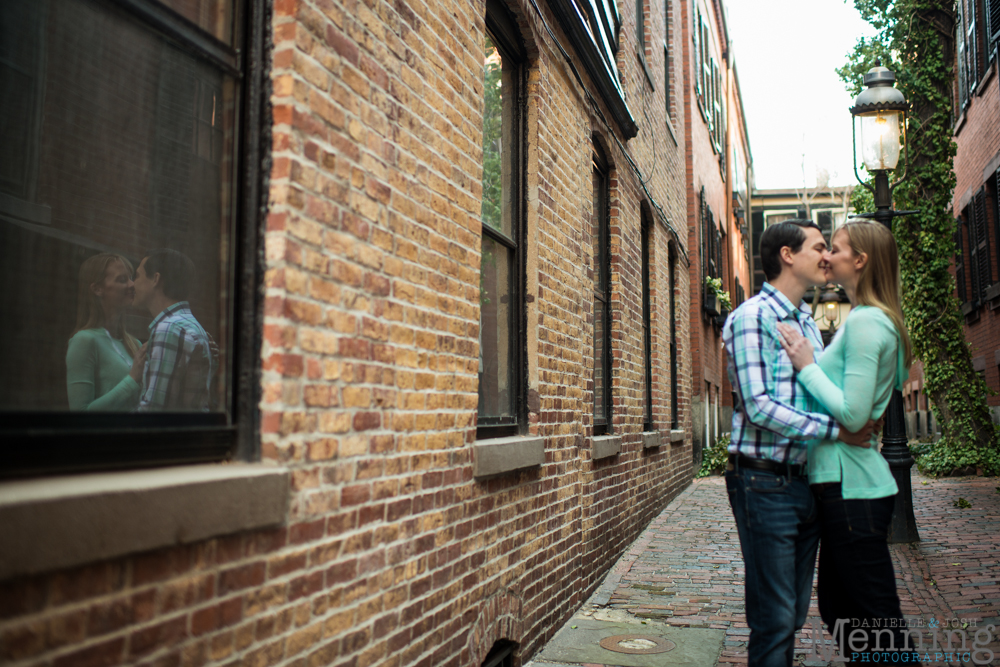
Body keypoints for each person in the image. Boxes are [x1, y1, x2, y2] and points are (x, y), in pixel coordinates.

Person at [721, 219, 875, 667]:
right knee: (773, 618)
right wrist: (836, 431)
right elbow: (759, 407)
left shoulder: (806, 321)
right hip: (763, 482)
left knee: (792, 614)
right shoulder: (752, 317)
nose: (826, 256)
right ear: (787, 255)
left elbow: (819, 390)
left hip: (808, 484)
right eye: (818, 247)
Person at [777, 222, 917, 662]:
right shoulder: (868, 319)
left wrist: (805, 363)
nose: (826, 256)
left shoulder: (867, 323)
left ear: (859, 261)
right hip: (844, 487)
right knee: (841, 610)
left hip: (853, 490)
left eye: (834, 249)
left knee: (877, 617)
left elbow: (856, 415)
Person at [132, 249, 214, 411]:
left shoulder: (169, 329)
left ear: (155, 279)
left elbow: (153, 411)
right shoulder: (187, 325)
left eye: (137, 276)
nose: (132, 283)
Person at [66, 253, 147, 411]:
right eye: (122, 280)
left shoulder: (134, 344)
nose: (132, 285)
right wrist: (132, 379)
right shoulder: (84, 341)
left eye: (131, 278)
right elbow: (80, 414)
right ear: (97, 289)